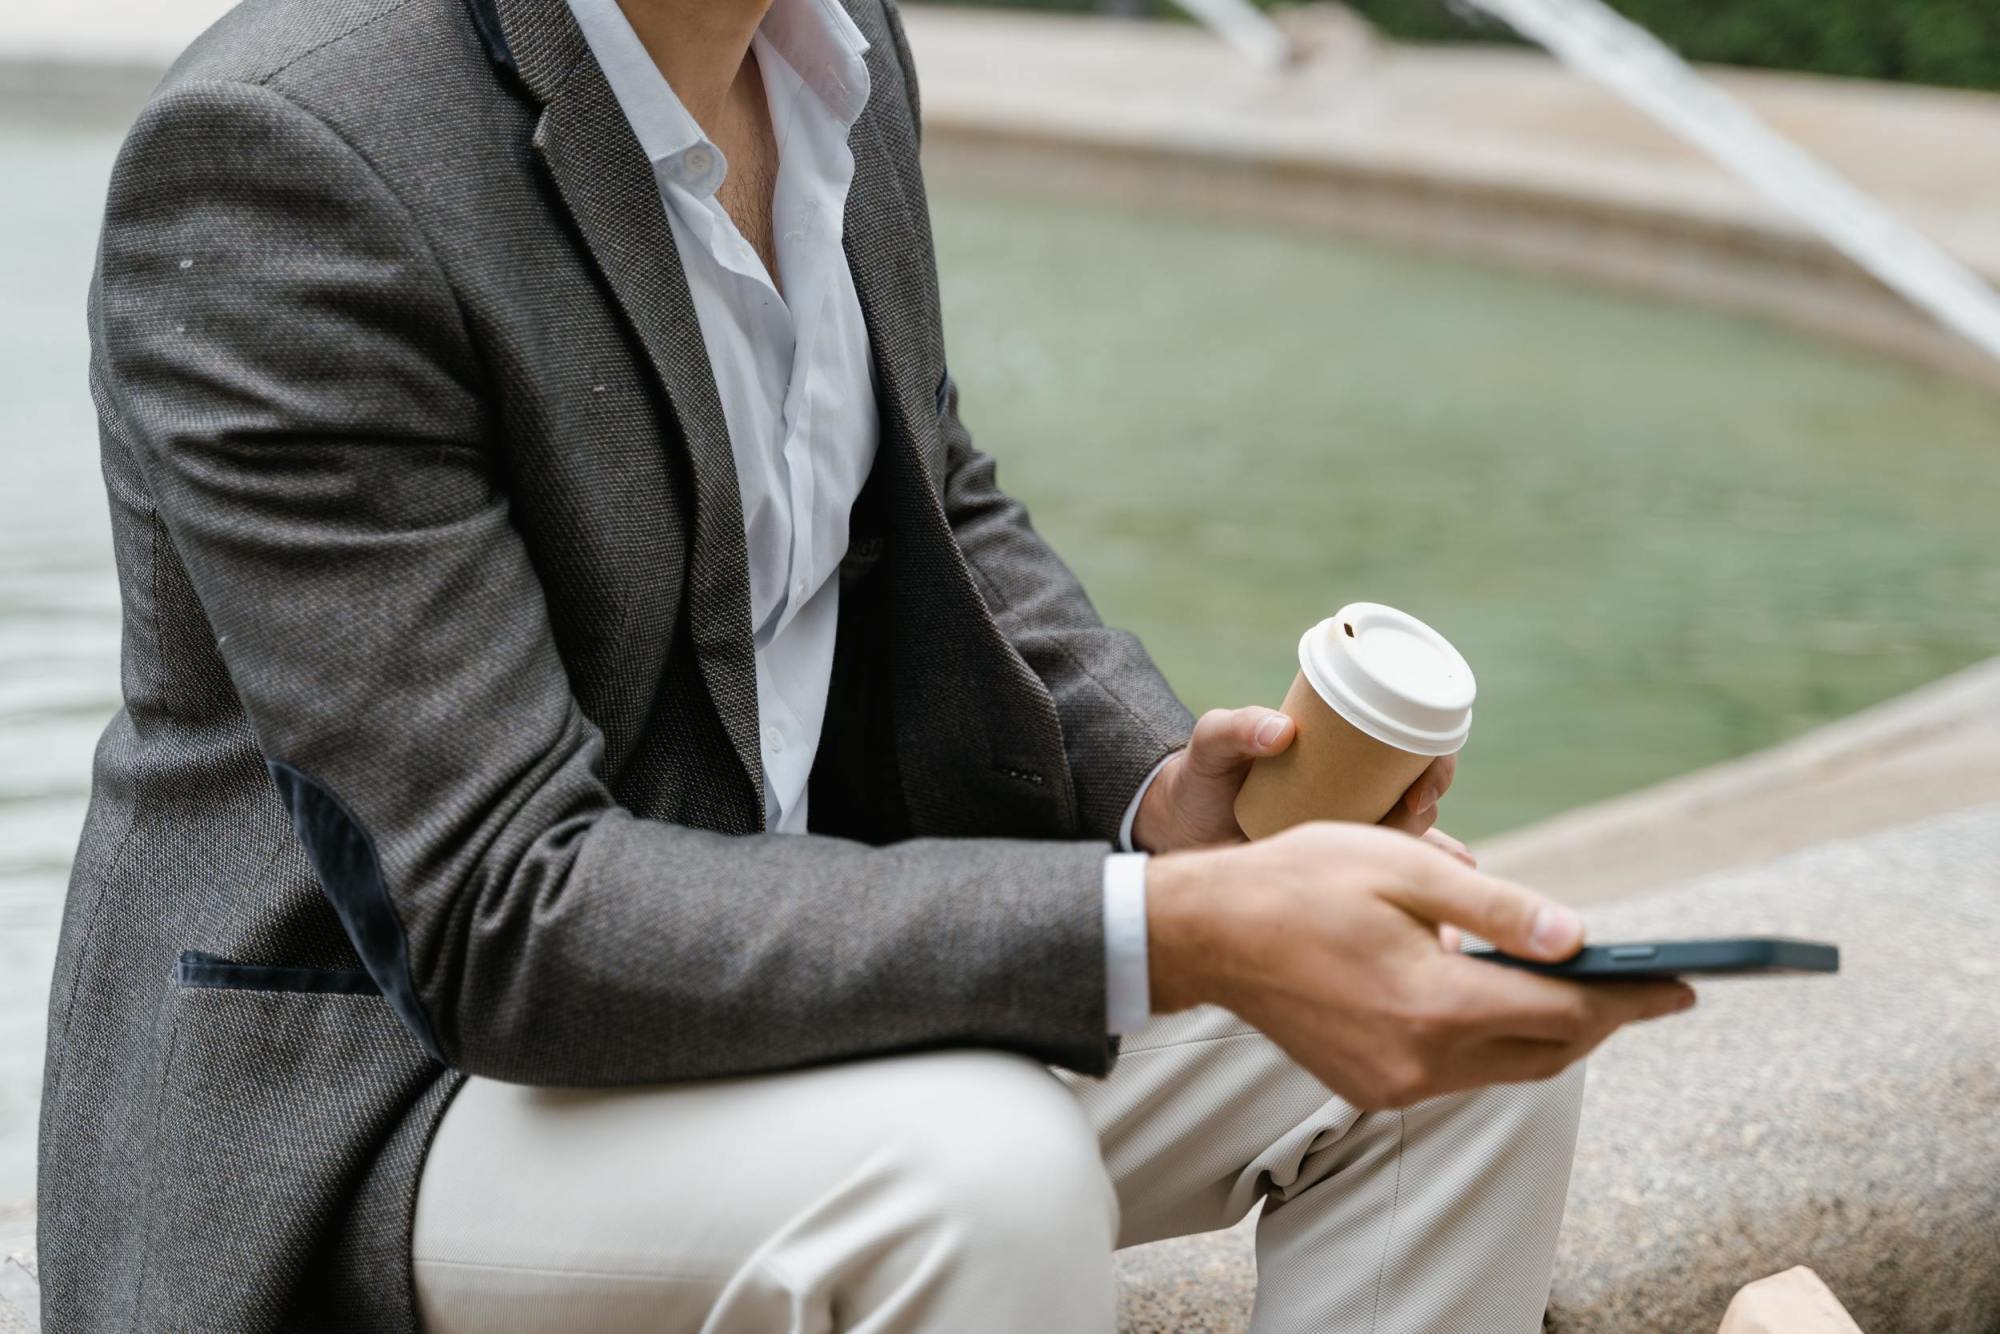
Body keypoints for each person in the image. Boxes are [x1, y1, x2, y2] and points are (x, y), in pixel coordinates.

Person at [41, 0, 1694, 1328]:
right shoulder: (288, 156)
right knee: (982, 1174)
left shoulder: (836, 48)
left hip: (781, 952)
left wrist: (1160, 803)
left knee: (1468, 1041)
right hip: (395, 1092)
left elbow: (935, 497)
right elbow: (494, 912)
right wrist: (1159, 927)